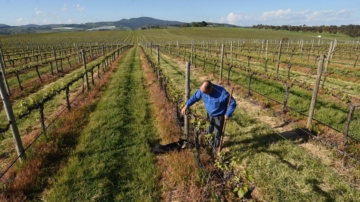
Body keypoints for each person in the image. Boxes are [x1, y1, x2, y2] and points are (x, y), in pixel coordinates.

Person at [181, 80, 236, 152]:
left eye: (205, 93)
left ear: (211, 89)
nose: (203, 94)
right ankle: (207, 139)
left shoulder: (222, 93)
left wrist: (227, 114)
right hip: (209, 114)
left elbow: (233, 103)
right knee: (210, 127)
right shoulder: (202, 90)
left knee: (217, 133)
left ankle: (215, 150)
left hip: (219, 116)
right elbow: (195, 97)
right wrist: (186, 105)